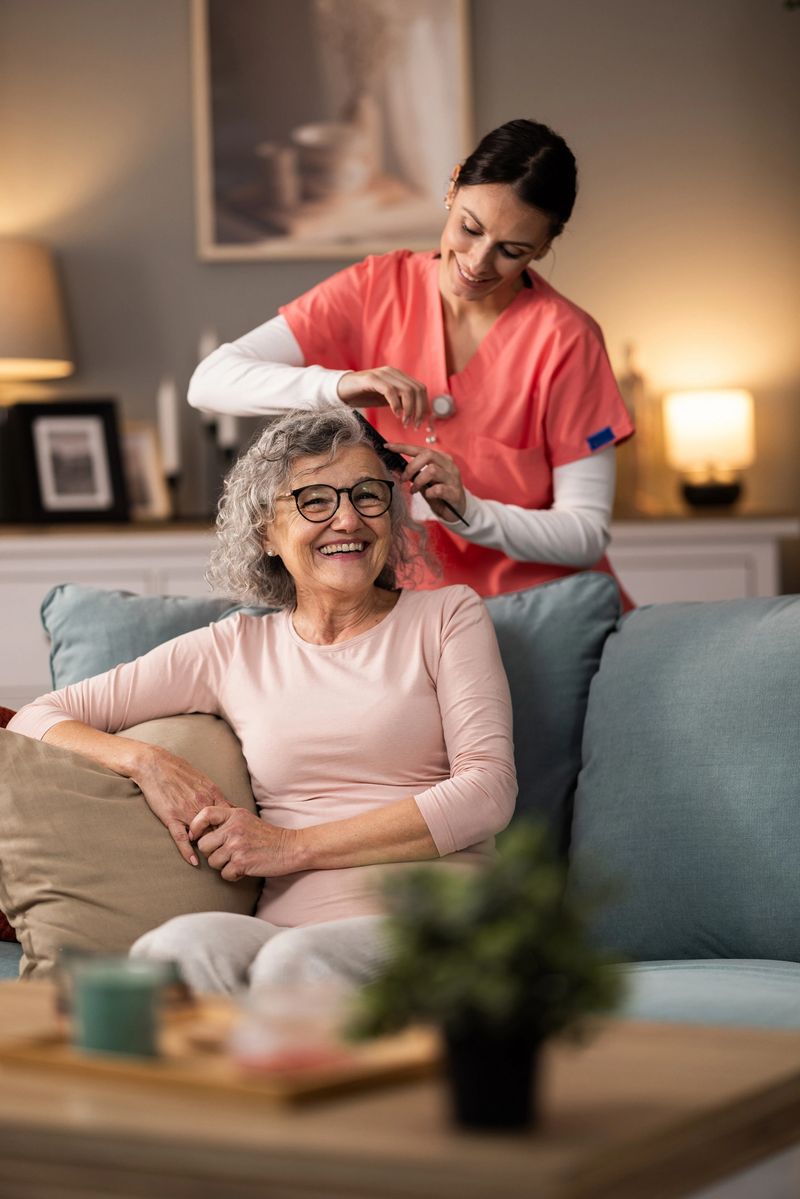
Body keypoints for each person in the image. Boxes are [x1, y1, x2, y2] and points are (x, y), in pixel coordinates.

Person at [8, 408, 516, 995]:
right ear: (265, 535)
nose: (348, 519)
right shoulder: (231, 648)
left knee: (295, 966)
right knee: (170, 952)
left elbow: (487, 793)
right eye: (314, 500)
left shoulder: (448, 616)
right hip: (286, 932)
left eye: (367, 495)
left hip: (433, 920)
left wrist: (288, 846)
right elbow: (36, 718)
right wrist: (146, 761)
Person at [189, 118, 634, 602]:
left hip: (541, 613)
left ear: (544, 247)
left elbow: (585, 535)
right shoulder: (375, 290)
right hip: (409, 611)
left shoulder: (566, 339)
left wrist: (469, 511)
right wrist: (341, 386)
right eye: (470, 228)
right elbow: (210, 382)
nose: (479, 263)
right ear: (453, 186)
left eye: (512, 251)